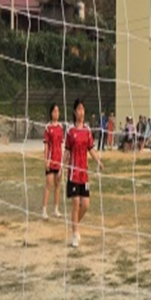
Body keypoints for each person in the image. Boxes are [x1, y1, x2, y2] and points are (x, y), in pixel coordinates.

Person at [64, 98, 103, 248]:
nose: (81, 111)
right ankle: (75, 234)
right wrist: (61, 166)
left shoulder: (87, 130)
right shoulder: (70, 131)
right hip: (73, 173)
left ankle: (75, 225)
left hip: (84, 174)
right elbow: (67, 151)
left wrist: (98, 161)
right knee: (75, 203)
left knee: (85, 205)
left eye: (83, 109)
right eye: (79, 109)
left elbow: (91, 149)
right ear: (75, 112)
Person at [41, 103, 64, 220]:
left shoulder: (60, 127)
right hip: (51, 160)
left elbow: (62, 145)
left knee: (57, 185)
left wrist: (62, 162)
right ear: (51, 113)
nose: (57, 113)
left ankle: (56, 209)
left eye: (58, 111)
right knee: (48, 185)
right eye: (55, 111)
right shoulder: (48, 128)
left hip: (59, 160)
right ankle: (44, 210)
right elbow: (46, 146)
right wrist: (46, 160)